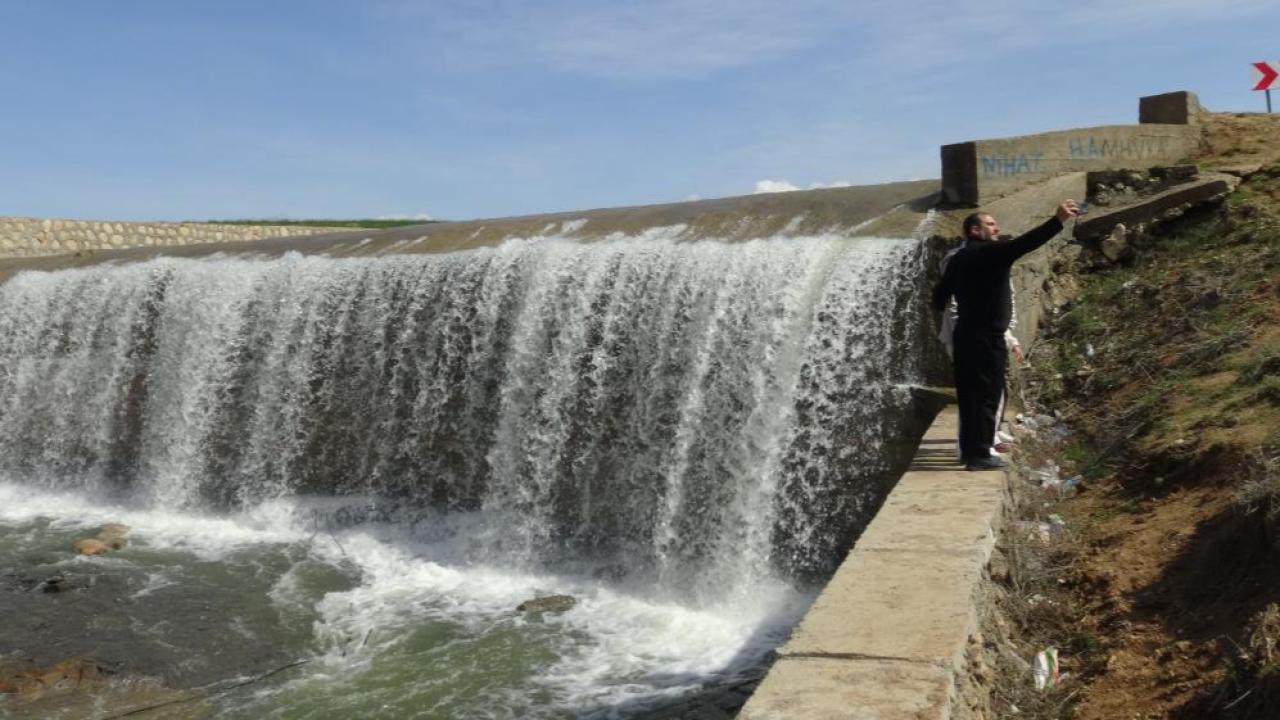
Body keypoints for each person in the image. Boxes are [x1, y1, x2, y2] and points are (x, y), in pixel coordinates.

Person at [932, 200, 1080, 470]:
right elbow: (1025, 243)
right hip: (986, 337)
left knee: (969, 396)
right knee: (988, 395)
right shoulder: (990, 254)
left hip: (965, 335)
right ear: (974, 231)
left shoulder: (957, 260)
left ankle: (969, 451)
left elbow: (939, 297)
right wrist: (1057, 220)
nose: (996, 228)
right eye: (990, 224)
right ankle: (979, 455)